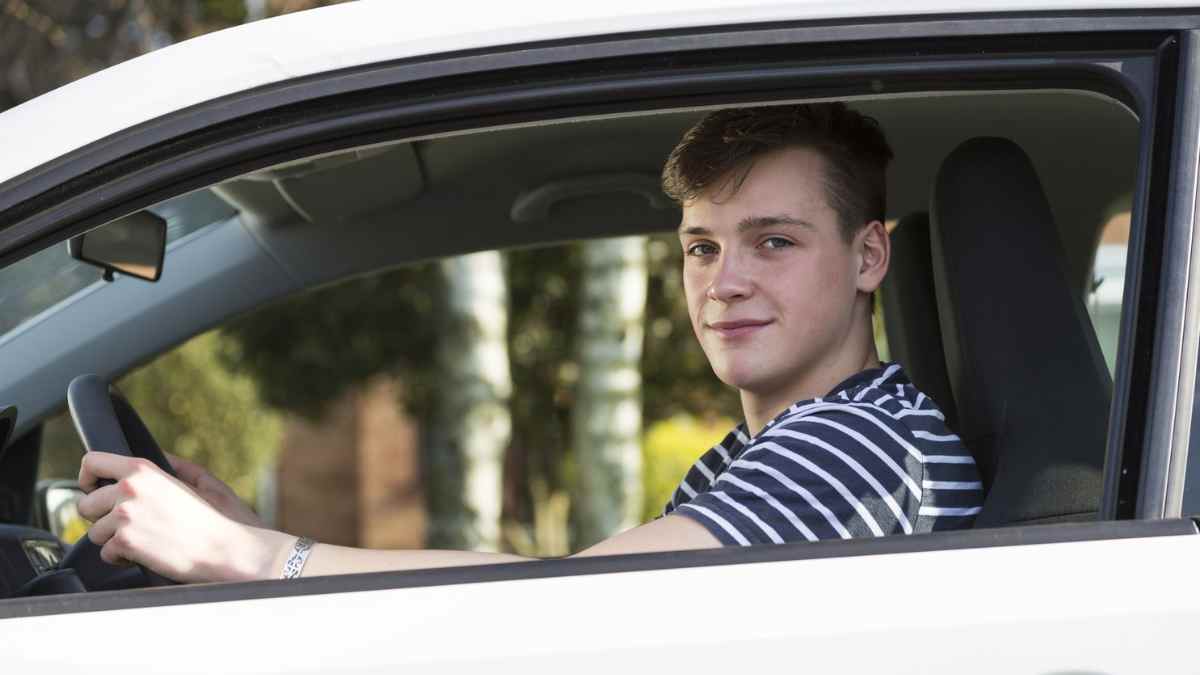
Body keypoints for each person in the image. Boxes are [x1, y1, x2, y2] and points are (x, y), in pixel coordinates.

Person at [77, 102, 981, 583]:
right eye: (702, 246)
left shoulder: (860, 443)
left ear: (869, 256)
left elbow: (564, 599)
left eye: (773, 241)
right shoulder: (775, 446)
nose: (724, 281)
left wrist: (252, 557)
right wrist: (257, 536)